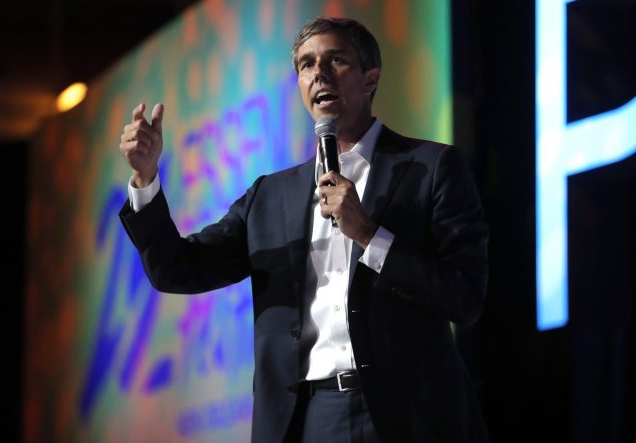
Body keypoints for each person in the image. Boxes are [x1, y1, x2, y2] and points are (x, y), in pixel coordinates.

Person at [119, 16, 489, 443]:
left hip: (409, 415)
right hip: (308, 419)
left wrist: (369, 234)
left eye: (336, 60)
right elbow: (177, 269)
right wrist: (146, 179)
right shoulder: (269, 196)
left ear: (370, 78)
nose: (319, 74)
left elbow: (465, 297)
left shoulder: (431, 168)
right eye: (306, 65)